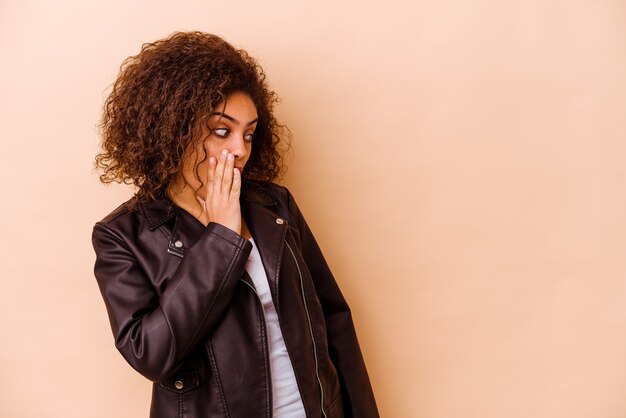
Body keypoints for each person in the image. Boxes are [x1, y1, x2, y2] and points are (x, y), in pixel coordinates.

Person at [92, 31, 379, 418]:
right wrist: (222, 236)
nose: (240, 149)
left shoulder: (275, 205)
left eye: (248, 133)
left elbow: (333, 321)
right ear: (174, 128)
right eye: (222, 130)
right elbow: (151, 354)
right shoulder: (124, 235)